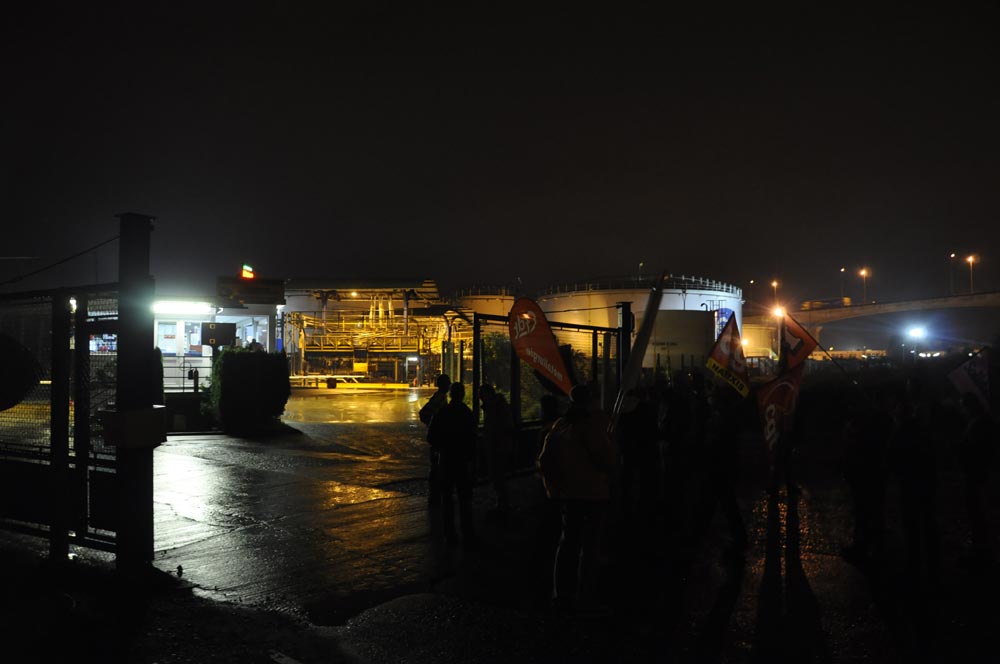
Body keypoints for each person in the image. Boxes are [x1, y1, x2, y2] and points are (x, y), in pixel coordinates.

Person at [537, 384, 616, 613]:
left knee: (568, 543)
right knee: (590, 546)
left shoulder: (561, 426)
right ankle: (585, 596)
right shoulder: (594, 426)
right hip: (593, 495)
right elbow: (606, 460)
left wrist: (554, 488)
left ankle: (561, 593)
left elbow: (545, 461)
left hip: (568, 495)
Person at [426, 382, 480, 550]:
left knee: (447, 499)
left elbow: (431, 437)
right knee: (465, 499)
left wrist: (442, 446)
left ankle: (450, 534)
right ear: (463, 395)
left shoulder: (443, 413)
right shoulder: (467, 414)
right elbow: (473, 439)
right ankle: (468, 532)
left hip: (447, 460)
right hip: (462, 461)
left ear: (450, 395)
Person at [954, 392, 996, 568]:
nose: (962, 410)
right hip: (977, 474)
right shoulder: (980, 421)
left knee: (977, 512)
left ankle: (981, 550)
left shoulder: (978, 424)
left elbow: (977, 450)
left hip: (976, 475)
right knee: (977, 512)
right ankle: (981, 547)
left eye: (963, 405)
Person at [481, 383, 514, 518]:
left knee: (498, 476)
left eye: (482, 394)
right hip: (498, 446)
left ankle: (503, 505)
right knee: (497, 477)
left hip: (497, 447)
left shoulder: (495, 407)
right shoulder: (497, 405)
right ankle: (502, 503)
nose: (480, 397)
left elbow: (497, 428)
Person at [420, 374, 451, 507]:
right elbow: (425, 413)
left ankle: (435, 492)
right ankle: (435, 493)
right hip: (439, 437)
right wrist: (435, 424)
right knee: (437, 465)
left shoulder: (440, 397)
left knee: (436, 465)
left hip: (437, 436)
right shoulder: (439, 398)